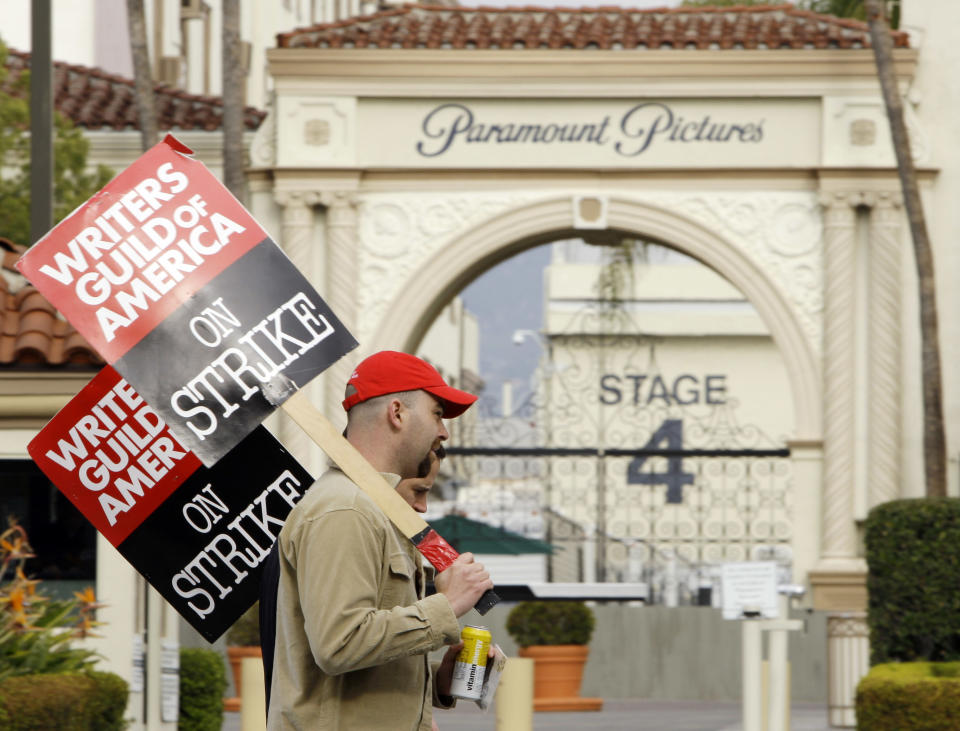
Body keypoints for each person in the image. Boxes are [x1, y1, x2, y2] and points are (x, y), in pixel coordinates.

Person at [267, 350, 494, 730]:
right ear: (397, 412)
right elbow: (340, 644)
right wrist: (448, 605)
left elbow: (357, 661)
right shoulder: (347, 509)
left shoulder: (370, 507)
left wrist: (437, 678)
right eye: (437, 413)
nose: (443, 432)